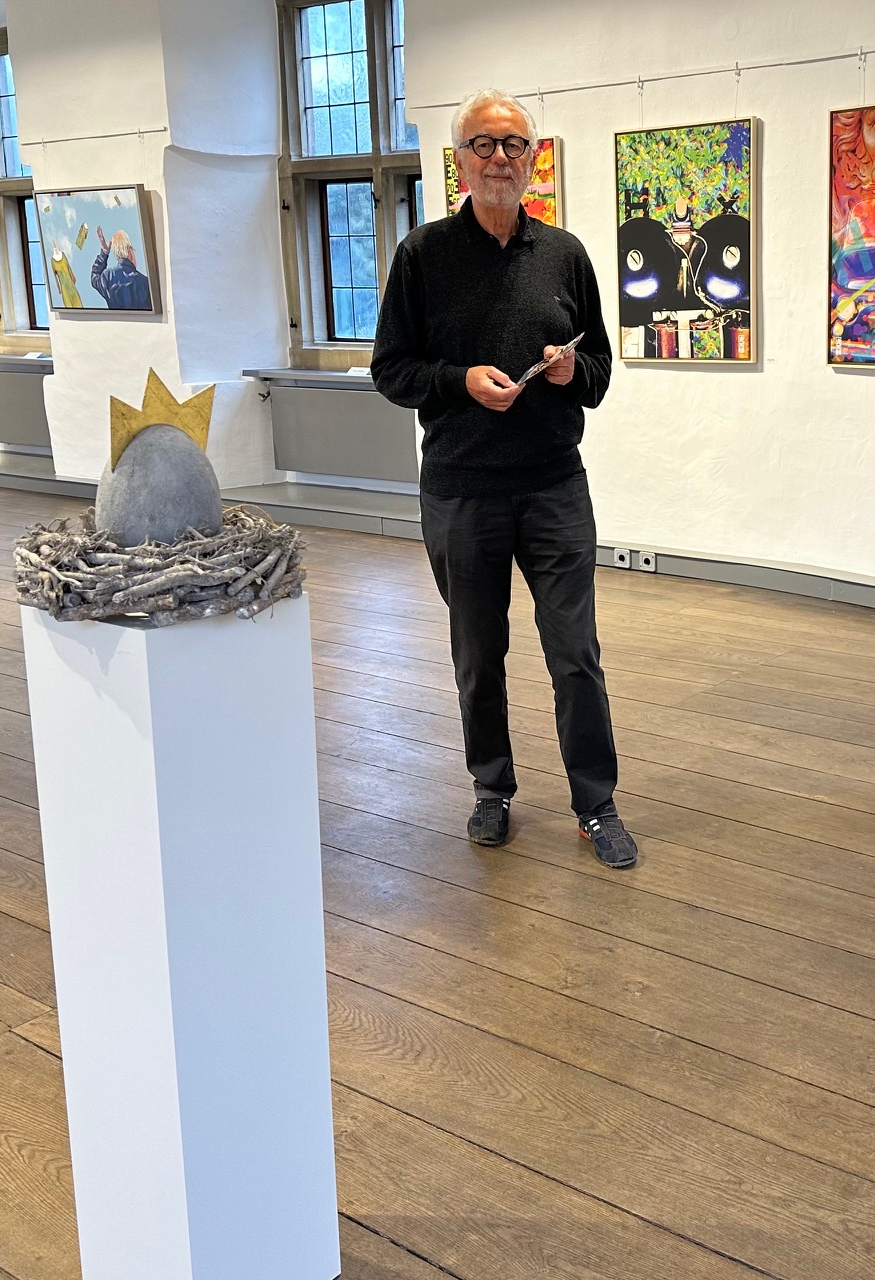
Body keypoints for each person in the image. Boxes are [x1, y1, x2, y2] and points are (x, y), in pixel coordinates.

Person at [372, 88, 637, 869]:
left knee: (575, 656)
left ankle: (597, 803)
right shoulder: (422, 255)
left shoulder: (565, 255)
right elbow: (391, 370)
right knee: (478, 655)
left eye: (513, 144)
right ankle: (491, 788)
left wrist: (568, 372)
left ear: (532, 159)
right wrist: (459, 381)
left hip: (555, 485)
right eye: (483, 145)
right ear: (459, 161)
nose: (499, 158)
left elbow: (599, 370)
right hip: (461, 489)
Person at [91, 226, 151, 310]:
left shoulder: (108, 277)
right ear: (130, 252)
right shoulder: (146, 283)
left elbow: (95, 277)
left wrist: (103, 254)